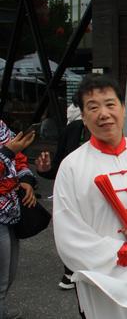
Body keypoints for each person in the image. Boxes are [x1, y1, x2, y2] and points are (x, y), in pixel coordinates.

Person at [53, 75, 127, 319]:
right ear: (83, 117)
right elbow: (68, 235)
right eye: (93, 107)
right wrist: (122, 253)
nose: (103, 113)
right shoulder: (72, 166)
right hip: (104, 282)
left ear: (123, 109)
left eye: (110, 104)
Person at [35, 103, 90, 290]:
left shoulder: (117, 133)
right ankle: (71, 271)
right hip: (73, 193)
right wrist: (45, 170)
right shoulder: (73, 129)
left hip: (100, 194)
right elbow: (59, 165)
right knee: (72, 230)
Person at [0, 124, 36, 319]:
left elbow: (20, 158)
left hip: (11, 211)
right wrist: (6, 152)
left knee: (8, 274)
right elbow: (11, 152)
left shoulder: (1, 128)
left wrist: (26, 181)